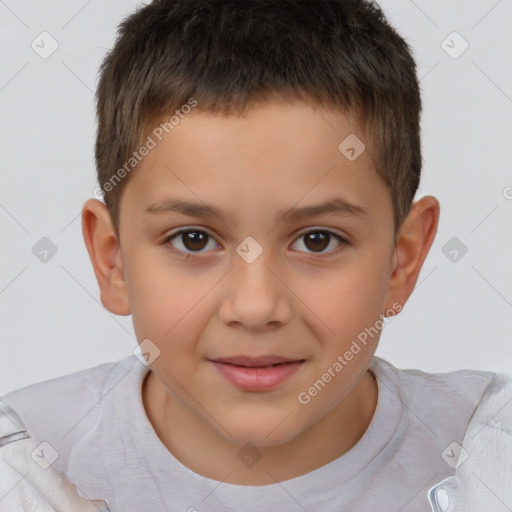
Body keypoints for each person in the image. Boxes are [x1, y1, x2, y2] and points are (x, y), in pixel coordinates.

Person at [0, 1, 509, 510]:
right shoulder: (27, 467)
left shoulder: (485, 454)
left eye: (317, 240)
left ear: (403, 260)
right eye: (193, 240)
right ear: (113, 261)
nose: (255, 306)